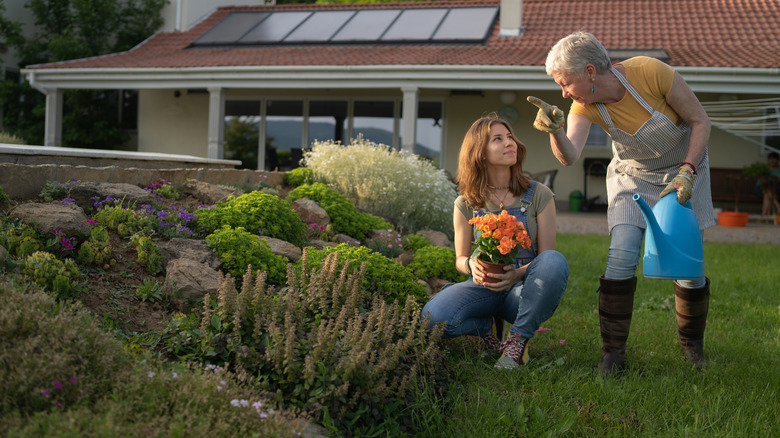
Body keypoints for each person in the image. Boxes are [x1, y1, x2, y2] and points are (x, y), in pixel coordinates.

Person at [528, 31, 717, 374]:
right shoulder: (583, 106)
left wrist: (687, 170)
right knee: (622, 252)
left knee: (686, 260)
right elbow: (570, 155)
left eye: (565, 82)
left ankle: (692, 346)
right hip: (633, 178)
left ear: (589, 72)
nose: (563, 91)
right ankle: (612, 355)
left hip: (684, 170)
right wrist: (555, 130)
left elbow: (700, 120)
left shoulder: (649, 72)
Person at [421, 113, 569, 369]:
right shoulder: (466, 203)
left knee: (554, 261)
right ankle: (484, 329)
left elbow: (545, 259)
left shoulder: (539, 195)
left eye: (510, 137)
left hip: (523, 292)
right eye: (497, 139)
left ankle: (517, 342)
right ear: (480, 152)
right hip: (482, 288)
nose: (509, 143)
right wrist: (471, 266)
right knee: (431, 319)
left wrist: (515, 275)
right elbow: (460, 258)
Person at [754, 151, 780, 215]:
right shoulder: (763, 168)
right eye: (770, 159)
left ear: (777, 160)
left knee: (767, 193)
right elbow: (763, 180)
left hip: (775, 189)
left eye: (774, 159)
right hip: (760, 188)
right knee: (767, 189)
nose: (772, 160)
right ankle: (778, 206)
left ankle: (764, 215)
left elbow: (777, 182)